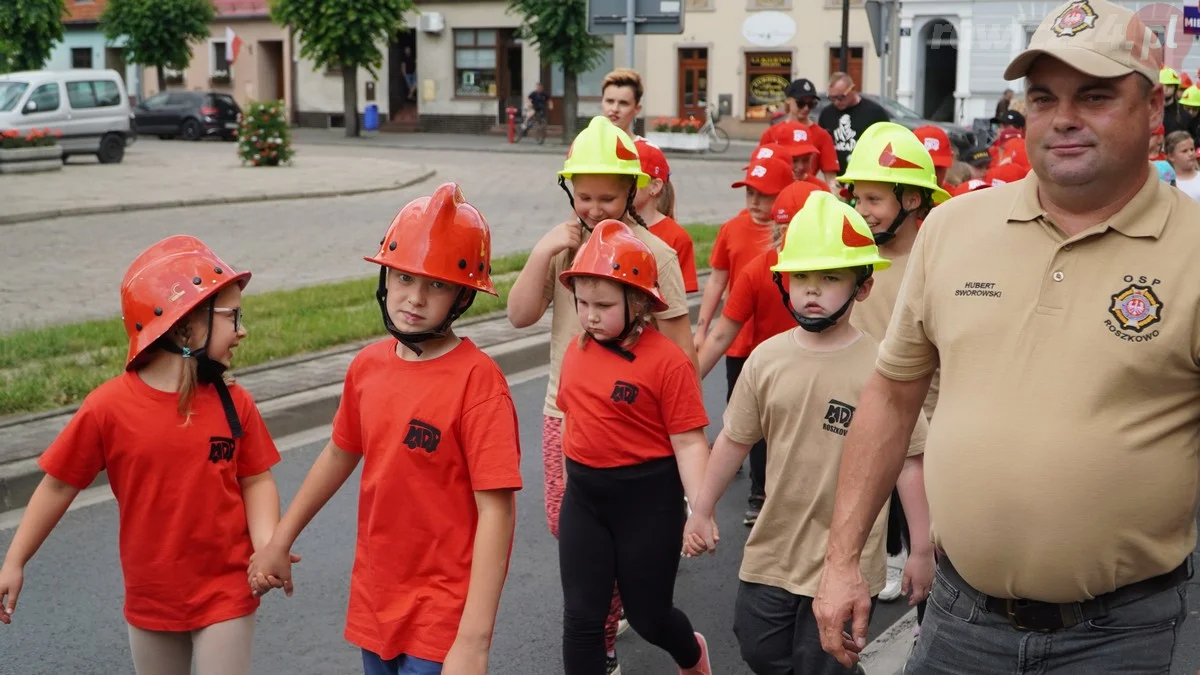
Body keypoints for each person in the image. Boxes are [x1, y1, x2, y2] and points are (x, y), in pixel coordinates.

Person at [814, 1, 1199, 671]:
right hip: (960, 620)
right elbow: (892, 395)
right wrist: (843, 558)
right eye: (1044, 96)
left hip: (1117, 637)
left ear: (1154, 114)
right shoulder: (955, 228)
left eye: (1097, 94)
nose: (1065, 116)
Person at [248, 184, 522, 675]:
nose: (414, 298)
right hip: (377, 597)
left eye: (436, 285)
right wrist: (279, 541)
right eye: (402, 277)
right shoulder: (367, 367)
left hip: (444, 612)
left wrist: (474, 641)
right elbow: (338, 454)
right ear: (384, 277)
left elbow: (496, 512)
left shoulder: (479, 384)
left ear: (463, 295)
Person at [0, 235, 283, 675]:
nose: (242, 330)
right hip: (152, 597)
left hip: (227, 589)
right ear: (185, 325)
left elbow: (256, 479)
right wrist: (14, 561)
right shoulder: (107, 408)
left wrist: (267, 547)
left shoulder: (233, 402)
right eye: (232, 317)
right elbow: (58, 485)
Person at [684, 192, 929, 675]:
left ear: (862, 287)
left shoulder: (883, 367)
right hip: (773, 549)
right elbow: (734, 439)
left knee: (825, 663)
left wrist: (920, 547)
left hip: (847, 559)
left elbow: (907, 459)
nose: (812, 290)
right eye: (801, 277)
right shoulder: (766, 359)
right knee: (757, 646)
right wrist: (702, 509)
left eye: (830, 278)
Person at [507, 115, 693, 675]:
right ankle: (601, 622)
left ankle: (604, 636)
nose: (593, 209)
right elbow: (518, 316)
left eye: (607, 197)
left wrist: (681, 445)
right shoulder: (564, 248)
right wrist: (543, 252)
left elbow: (680, 350)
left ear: (633, 191)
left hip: (634, 421)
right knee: (571, 529)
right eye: (583, 196)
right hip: (562, 413)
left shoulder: (655, 253)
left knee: (616, 550)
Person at [556, 219, 713, 675]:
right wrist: (571, 486)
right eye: (582, 303)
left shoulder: (667, 363)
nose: (589, 315)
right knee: (582, 618)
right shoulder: (576, 350)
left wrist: (699, 512)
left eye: (603, 305)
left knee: (649, 617)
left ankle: (692, 654)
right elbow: (573, 422)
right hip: (585, 501)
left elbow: (687, 442)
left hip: (648, 502)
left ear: (640, 301)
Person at [836, 121, 944, 611]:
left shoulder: (935, 257)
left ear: (912, 200)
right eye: (858, 199)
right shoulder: (855, 257)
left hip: (932, 414)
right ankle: (884, 551)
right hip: (870, 401)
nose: (862, 211)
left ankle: (916, 565)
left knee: (924, 503)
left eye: (874, 200)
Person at [694, 155, 794, 525]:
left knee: (777, 420)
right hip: (739, 342)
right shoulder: (731, 230)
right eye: (750, 192)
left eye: (764, 195)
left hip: (780, 340)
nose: (754, 201)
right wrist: (702, 328)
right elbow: (718, 280)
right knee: (745, 415)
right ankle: (755, 484)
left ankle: (767, 486)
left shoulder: (789, 238)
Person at [634, 138, 699, 292]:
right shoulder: (611, 225)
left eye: (631, 178)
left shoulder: (677, 238)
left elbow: (678, 300)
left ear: (654, 186)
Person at [760, 78, 840, 185]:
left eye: (811, 104)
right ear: (788, 100)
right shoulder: (771, 134)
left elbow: (831, 178)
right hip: (777, 193)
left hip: (806, 192)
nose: (806, 108)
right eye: (801, 103)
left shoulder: (822, 136)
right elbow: (761, 169)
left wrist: (835, 196)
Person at [818, 72, 891, 173]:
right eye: (832, 98)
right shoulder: (826, 114)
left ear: (852, 89)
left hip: (865, 175)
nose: (836, 102)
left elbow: (887, 144)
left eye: (840, 97)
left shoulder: (874, 112)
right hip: (836, 177)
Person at [601, 69, 643, 138]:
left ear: (637, 109)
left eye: (623, 103)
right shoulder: (583, 143)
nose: (615, 109)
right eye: (610, 101)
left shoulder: (648, 148)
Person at [1164, 130, 1200, 199]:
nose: (1190, 154)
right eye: (1184, 151)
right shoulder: (1167, 184)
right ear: (1171, 156)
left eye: (1192, 149)